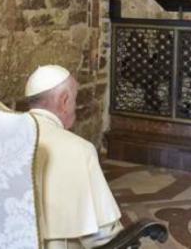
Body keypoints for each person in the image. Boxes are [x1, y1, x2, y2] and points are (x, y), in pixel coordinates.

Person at [26, 65, 122, 249]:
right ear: (64, 100)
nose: (75, 108)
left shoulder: (3, 140)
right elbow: (102, 235)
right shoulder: (79, 149)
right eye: (74, 100)